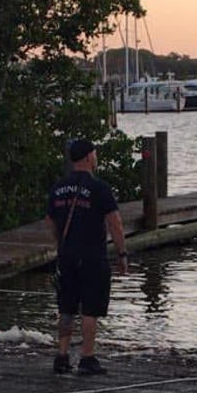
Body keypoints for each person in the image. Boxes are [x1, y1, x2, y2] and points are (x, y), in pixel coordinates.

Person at [46, 139, 128, 376]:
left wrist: (61, 241)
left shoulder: (59, 187)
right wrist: (122, 253)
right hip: (92, 254)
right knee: (91, 308)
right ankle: (87, 357)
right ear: (88, 157)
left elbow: (50, 220)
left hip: (66, 255)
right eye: (95, 154)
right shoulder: (99, 188)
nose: (96, 158)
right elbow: (115, 222)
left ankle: (61, 356)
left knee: (66, 307)